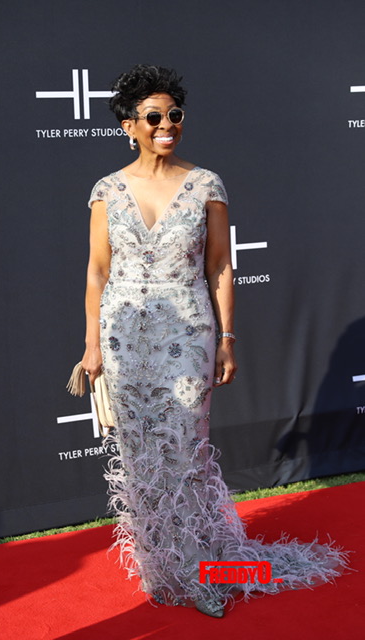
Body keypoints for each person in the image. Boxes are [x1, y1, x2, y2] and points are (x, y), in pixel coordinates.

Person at [80, 64, 349, 618]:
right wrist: (92, 345)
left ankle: (204, 569)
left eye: (175, 114)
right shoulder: (107, 190)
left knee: (185, 452)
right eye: (154, 117)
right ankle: (161, 568)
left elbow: (221, 266)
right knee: (139, 458)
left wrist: (227, 338)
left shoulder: (206, 184)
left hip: (188, 331)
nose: (167, 125)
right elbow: (97, 272)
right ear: (129, 126)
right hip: (123, 336)